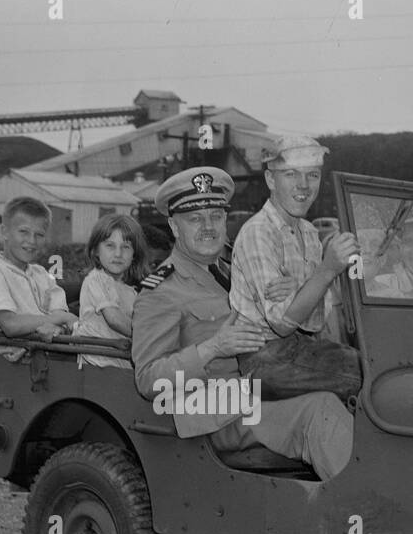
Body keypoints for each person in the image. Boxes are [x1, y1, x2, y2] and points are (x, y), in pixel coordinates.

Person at [130, 166, 353, 481]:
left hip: (268, 382)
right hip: (216, 407)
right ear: (174, 227)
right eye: (195, 219)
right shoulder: (161, 291)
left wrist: (297, 291)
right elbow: (149, 380)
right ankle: (366, 520)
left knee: (364, 391)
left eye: (216, 216)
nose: (208, 227)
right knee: (321, 410)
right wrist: (212, 348)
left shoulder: (239, 269)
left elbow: (286, 324)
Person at [228, 134, 362, 401]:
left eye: (312, 175)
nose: (303, 185)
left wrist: (303, 288)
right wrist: (326, 271)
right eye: (290, 174)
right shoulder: (258, 232)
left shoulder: (310, 234)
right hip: (262, 360)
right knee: (366, 375)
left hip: (298, 348)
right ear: (270, 180)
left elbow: (311, 322)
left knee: (374, 361)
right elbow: (283, 324)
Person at [0, 195, 78, 362]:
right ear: (4, 232)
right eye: (23, 232)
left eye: (39, 235)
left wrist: (57, 324)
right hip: (20, 363)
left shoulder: (42, 274)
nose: (31, 241)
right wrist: (58, 319)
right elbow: (11, 325)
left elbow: (59, 311)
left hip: (50, 354)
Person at [74, 214, 150, 369]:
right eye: (110, 245)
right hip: (99, 363)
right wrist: (151, 337)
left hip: (120, 361)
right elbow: (114, 320)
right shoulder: (95, 280)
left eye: (126, 247)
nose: (118, 254)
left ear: (134, 254)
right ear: (96, 250)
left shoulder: (131, 292)